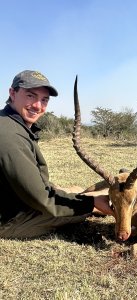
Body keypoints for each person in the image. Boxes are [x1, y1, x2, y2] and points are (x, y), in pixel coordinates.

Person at [0, 70, 114, 239]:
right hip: (7, 220)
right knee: (76, 212)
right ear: (12, 93)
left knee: (68, 191)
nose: (38, 106)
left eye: (44, 99)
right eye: (31, 96)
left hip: (14, 198)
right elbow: (42, 198)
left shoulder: (10, 122)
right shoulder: (10, 135)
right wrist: (91, 204)